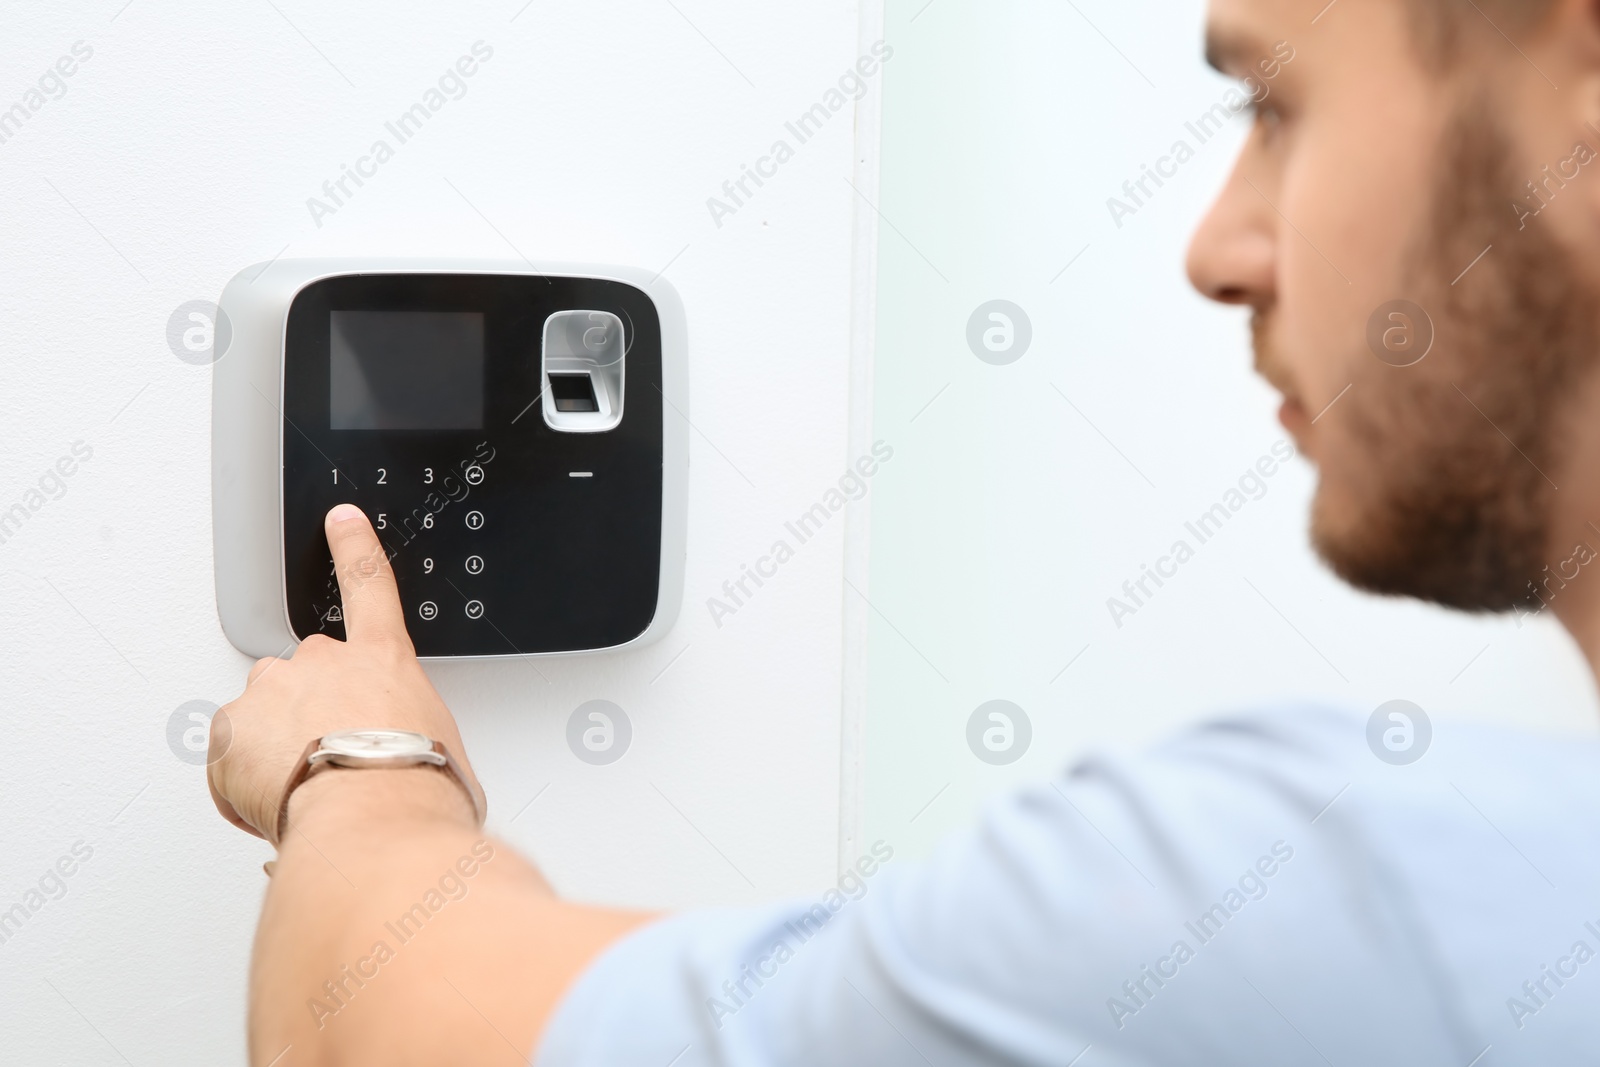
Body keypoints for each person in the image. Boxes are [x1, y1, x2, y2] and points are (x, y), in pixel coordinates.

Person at [207, 0, 1600, 1062]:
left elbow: (376, 1026)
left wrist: (361, 766)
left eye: (1278, 110)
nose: (1214, 246)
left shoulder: (1286, 907)